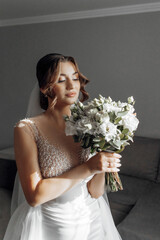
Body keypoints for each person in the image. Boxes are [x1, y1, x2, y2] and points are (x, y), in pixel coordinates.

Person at [3, 53, 122, 240]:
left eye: (75, 77)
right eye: (61, 80)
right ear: (44, 88)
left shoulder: (91, 123)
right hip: (50, 226)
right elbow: (34, 197)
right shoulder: (27, 129)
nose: (72, 85)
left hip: (93, 221)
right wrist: (88, 167)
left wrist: (103, 160)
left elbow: (96, 192)